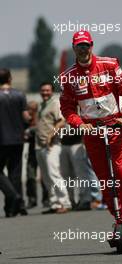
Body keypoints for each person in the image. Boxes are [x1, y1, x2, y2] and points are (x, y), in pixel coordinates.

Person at [60, 31, 122, 237]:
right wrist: (79, 123)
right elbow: (67, 107)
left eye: (86, 45)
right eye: (79, 46)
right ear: (74, 48)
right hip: (92, 132)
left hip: (115, 127)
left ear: (92, 46)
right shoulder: (68, 77)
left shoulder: (110, 64)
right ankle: (118, 217)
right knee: (105, 179)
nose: (83, 49)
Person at [35, 82, 71, 214]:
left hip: (52, 145)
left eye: (47, 90)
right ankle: (54, 203)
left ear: (52, 91)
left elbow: (62, 121)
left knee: (54, 174)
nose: (45, 93)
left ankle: (65, 202)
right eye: (43, 90)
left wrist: (51, 135)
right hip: (39, 145)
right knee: (46, 177)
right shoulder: (42, 105)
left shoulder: (55, 103)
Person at [0, 68, 30, 216]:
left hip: (1, 140)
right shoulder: (19, 95)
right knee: (15, 172)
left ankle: (13, 197)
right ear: (10, 79)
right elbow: (26, 116)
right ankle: (16, 207)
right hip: (18, 139)